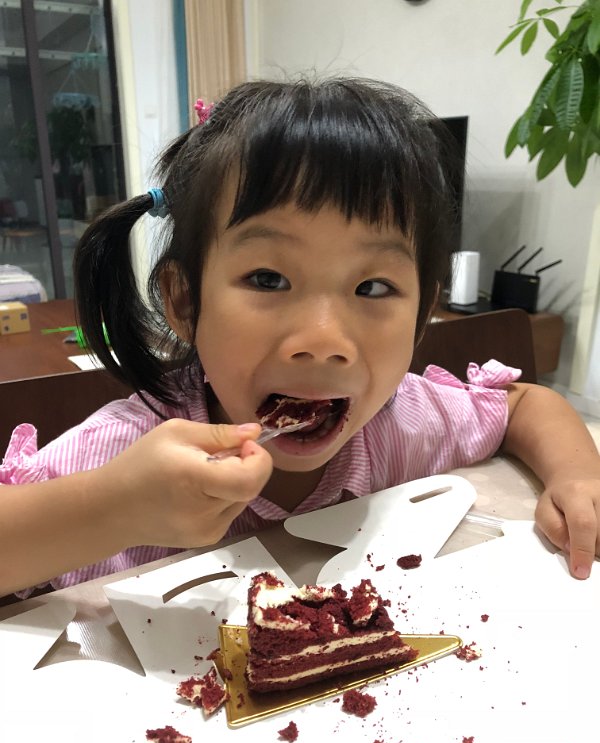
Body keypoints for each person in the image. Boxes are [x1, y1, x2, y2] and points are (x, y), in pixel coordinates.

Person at [1, 77, 599, 600]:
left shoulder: (403, 424)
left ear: (423, 316)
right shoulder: (125, 456)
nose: (323, 340)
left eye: (372, 287)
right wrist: (111, 509)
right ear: (185, 303)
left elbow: (525, 405)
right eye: (268, 279)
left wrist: (578, 477)